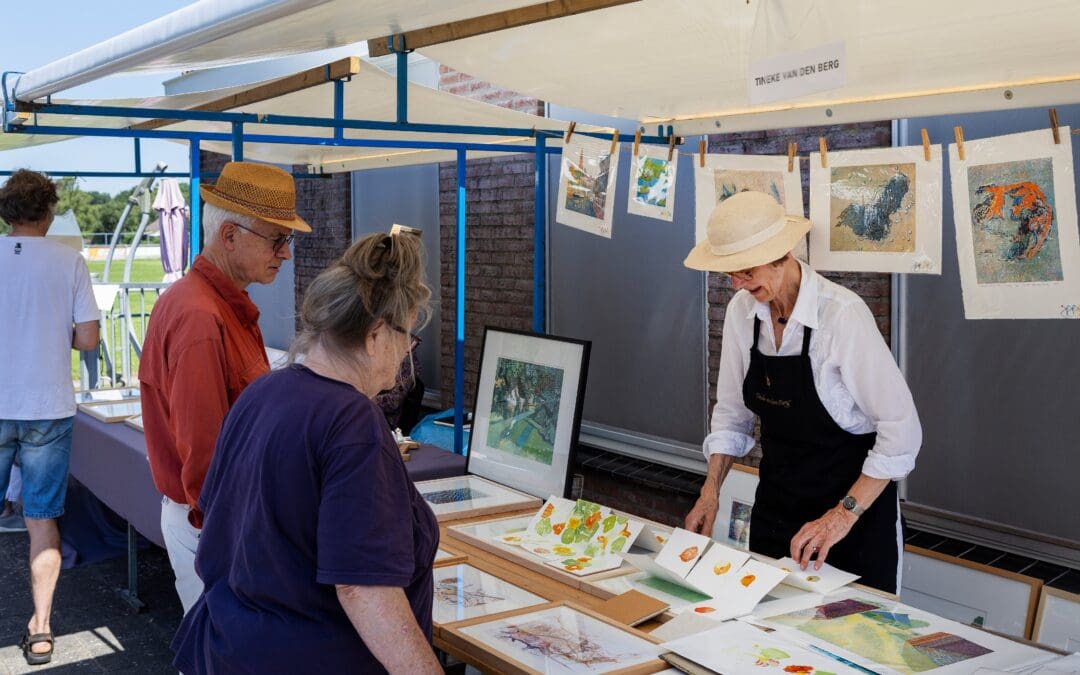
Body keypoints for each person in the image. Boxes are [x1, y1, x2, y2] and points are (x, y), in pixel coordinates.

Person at [172, 231, 441, 674]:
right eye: (407, 339)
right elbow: (363, 587)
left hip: (232, 648)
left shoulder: (263, 392)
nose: (404, 358)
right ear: (375, 335)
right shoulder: (353, 422)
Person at [683, 191, 922, 594]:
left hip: (851, 523)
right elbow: (731, 416)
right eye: (729, 274)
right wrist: (709, 494)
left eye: (745, 271)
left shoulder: (841, 316)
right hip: (777, 512)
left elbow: (901, 433)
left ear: (781, 253)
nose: (737, 284)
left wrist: (839, 518)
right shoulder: (743, 313)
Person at [139, 161, 310, 614]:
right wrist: (236, 541)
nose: (286, 253)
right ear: (229, 236)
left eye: (286, 239)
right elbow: (205, 455)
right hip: (216, 525)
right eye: (278, 239)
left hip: (216, 521)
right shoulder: (201, 315)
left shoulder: (211, 304)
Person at [0, 169, 100, 665]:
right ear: (49, 211)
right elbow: (88, 340)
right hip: (48, 406)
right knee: (42, 522)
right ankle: (40, 628)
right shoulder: (70, 261)